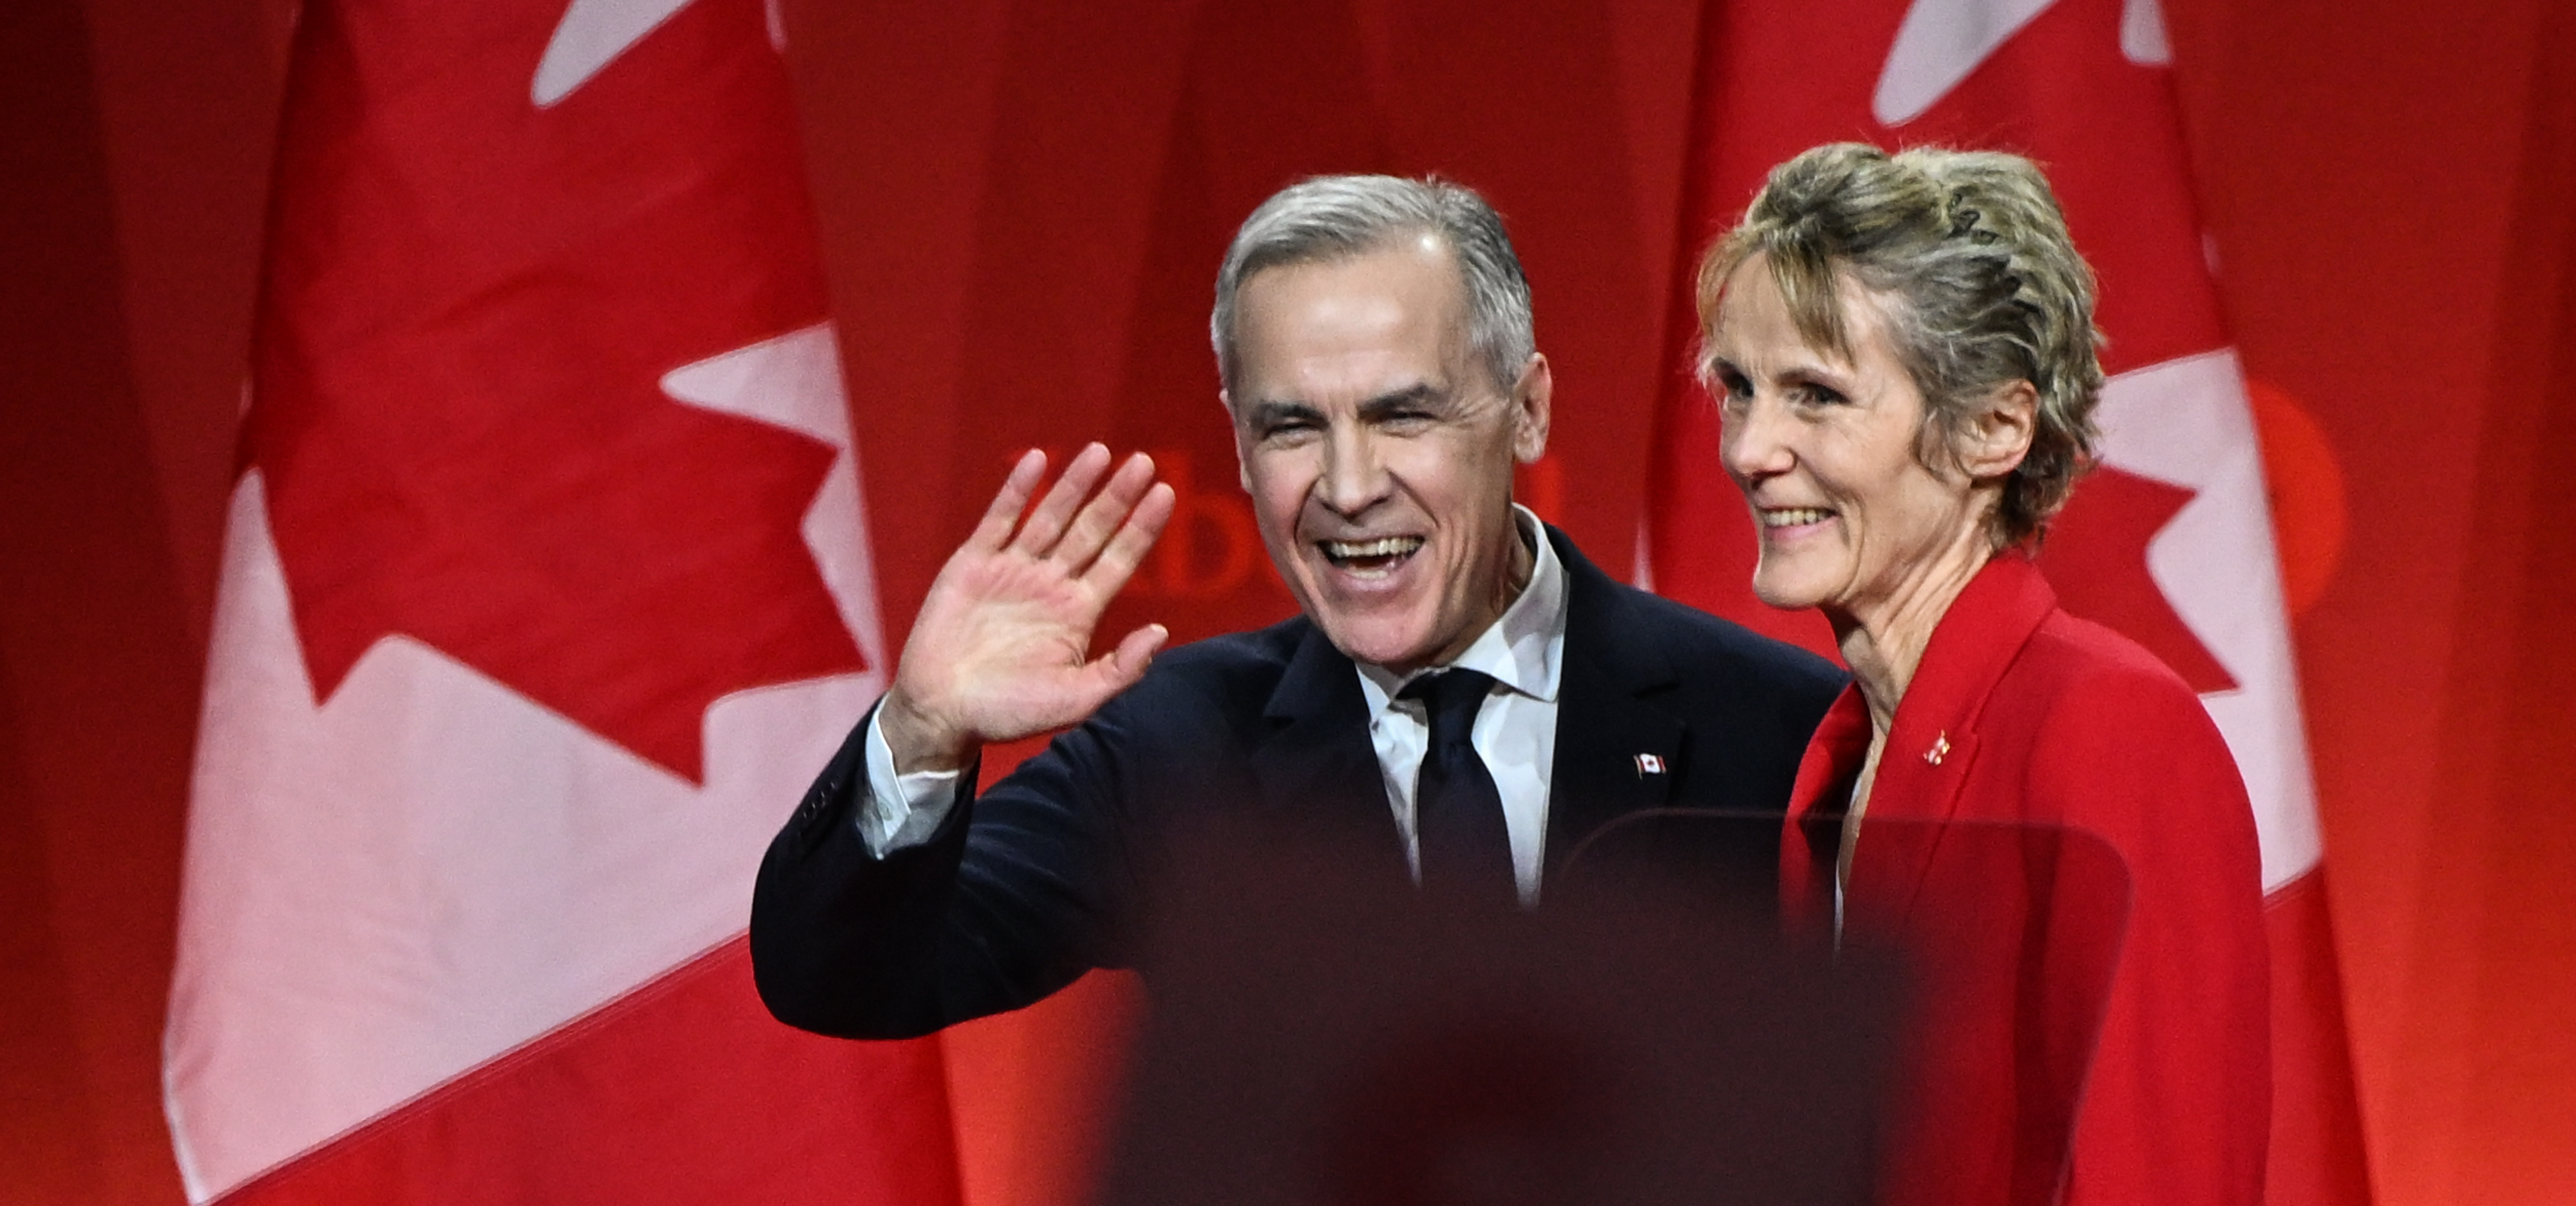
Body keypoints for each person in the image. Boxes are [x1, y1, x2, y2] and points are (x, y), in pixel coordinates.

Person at [752, 174, 1845, 1038]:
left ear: (1526, 411)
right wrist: (922, 732)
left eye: (1402, 415)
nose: (1349, 483)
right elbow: (844, 980)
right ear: (1238, 437)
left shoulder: (1777, 726)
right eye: (1291, 428)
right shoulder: (1178, 748)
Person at [1693, 142, 2268, 1206]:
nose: (1749, 448)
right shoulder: (1831, 761)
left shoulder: (2109, 729)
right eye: (1738, 388)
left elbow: (2162, 1174)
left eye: (1815, 396)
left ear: (1994, 429)